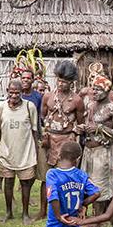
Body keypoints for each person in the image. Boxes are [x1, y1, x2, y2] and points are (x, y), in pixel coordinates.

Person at [78, 74, 113, 227]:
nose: (94, 92)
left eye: (98, 89)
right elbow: (90, 125)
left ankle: (98, 223)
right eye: (93, 88)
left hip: (102, 152)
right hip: (88, 151)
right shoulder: (90, 105)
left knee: (100, 187)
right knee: (87, 183)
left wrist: (101, 129)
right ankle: (90, 219)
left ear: (107, 90)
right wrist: (83, 128)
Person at [41, 61, 85, 215]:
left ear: (71, 83)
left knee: (66, 176)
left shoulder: (77, 100)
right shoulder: (48, 96)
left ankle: (67, 207)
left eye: (65, 82)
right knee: (47, 176)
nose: (61, 84)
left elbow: (81, 124)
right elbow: (43, 117)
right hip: (50, 141)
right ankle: (43, 210)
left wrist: (74, 138)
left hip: (67, 141)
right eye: (59, 81)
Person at [0, 79, 39, 225]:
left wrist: (36, 152)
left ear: (22, 93)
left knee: (25, 183)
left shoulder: (29, 107)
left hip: (26, 153)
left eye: (17, 93)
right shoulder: (1, 107)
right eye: (11, 92)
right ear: (7, 91)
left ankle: (25, 214)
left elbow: (34, 131)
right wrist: (5, 146)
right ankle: (9, 212)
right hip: (7, 153)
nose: (14, 96)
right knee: (8, 182)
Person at [21, 69, 48, 219]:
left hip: (34, 138)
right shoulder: (15, 94)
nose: (25, 80)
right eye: (23, 78)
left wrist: (41, 136)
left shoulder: (38, 97)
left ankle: (42, 209)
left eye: (28, 78)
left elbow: (41, 118)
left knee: (38, 172)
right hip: (19, 139)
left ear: (33, 80)